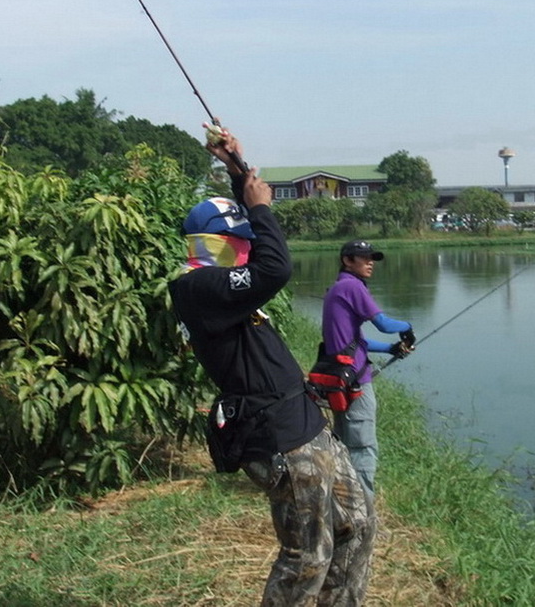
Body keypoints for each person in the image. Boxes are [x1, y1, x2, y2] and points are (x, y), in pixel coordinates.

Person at [169, 129, 375, 606]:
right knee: (307, 555)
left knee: (357, 527)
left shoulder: (222, 284)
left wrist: (235, 163)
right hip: (281, 440)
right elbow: (275, 268)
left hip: (309, 426)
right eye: (243, 238)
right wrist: (261, 210)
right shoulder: (198, 289)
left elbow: (263, 259)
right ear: (221, 243)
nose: (251, 245)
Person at [321, 240, 415, 500]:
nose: (370, 262)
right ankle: (365, 515)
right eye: (363, 258)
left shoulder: (339, 288)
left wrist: (390, 349)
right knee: (363, 449)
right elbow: (384, 323)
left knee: (345, 447)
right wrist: (407, 326)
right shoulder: (352, 286)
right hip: (355, 384)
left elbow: (355, 341)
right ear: (347, 260)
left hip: (342, 380)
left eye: (371, 257)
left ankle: (344, 507)